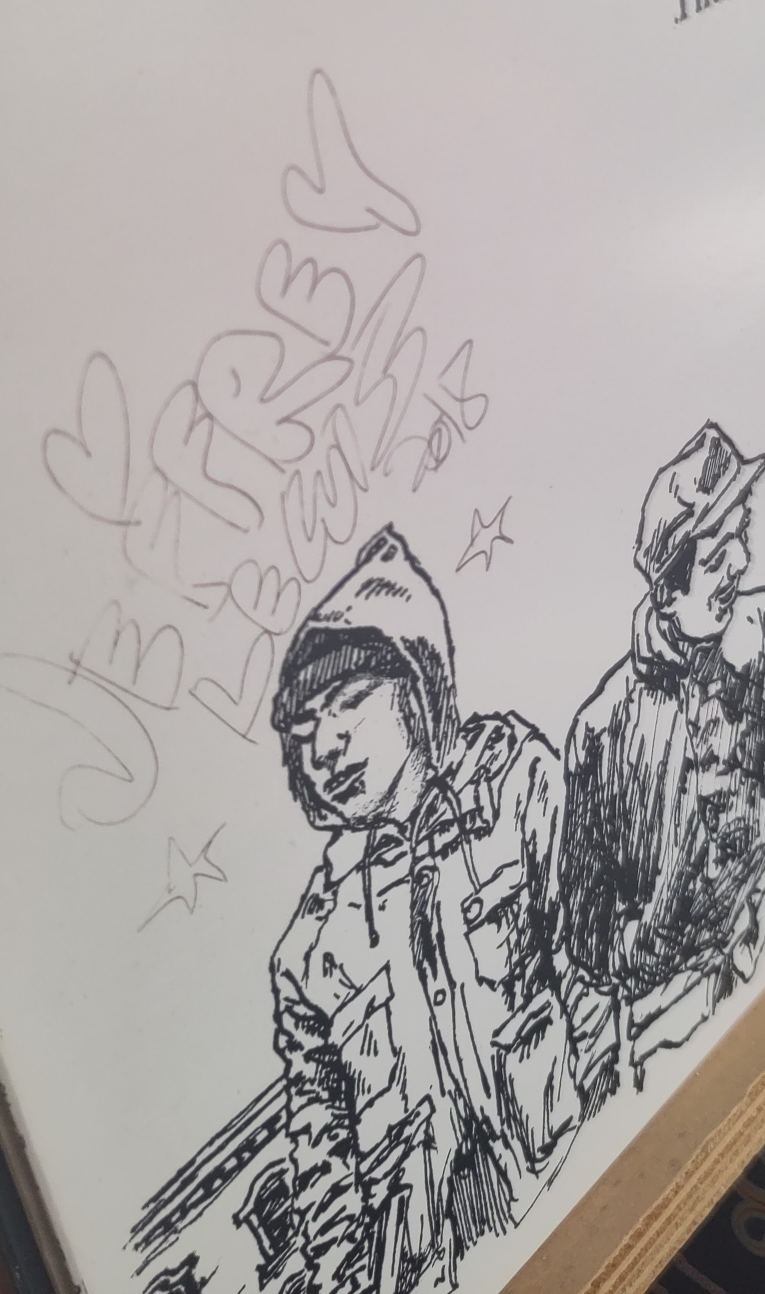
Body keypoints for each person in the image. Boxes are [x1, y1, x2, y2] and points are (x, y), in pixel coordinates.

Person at [268, 526, 591, 1294]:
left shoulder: (515, 784)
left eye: (348, 701)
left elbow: (596, 983)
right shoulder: (310, 952)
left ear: (416, 684)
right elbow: (325, 1174)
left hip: (580, 1193)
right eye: (305, 729)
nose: (326, 746)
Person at [560, 422, 765, 1094]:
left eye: (742, 535)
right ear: (668, 590)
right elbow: (587, 936)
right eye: (718, 554)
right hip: (676, 1017)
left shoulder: (762, 627)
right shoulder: (600, 730)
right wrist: (650, 945)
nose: (742, 563)